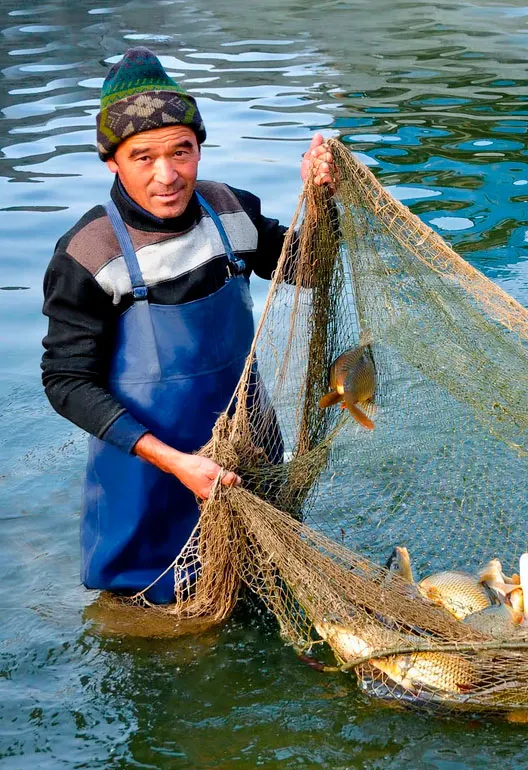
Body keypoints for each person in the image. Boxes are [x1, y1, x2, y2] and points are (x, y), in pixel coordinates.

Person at [41, 47, 334, 604]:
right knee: (154, 624)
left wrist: (319, 201)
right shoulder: (88, 253)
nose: (167, 175)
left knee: (260, 588)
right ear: (112, 161)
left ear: (200, 147)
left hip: (247, 457)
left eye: (182, 151)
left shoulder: (231, 212)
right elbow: (66, 382)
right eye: (142, 156)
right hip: (147, 478)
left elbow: (310, 271)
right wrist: (175, 463)